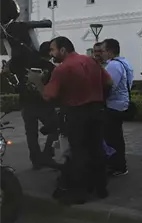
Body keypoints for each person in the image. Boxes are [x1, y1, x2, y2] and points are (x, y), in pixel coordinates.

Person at [27, 36, 112, 205]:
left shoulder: (62, 69)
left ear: (63, 50)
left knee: (79, 153)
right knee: (96, 149)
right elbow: (109, 82)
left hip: (77, 113)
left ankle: (79, 193)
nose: (51, 54)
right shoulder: (91, 61)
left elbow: (48, 95)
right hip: (96, 111)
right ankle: (101, 188)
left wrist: (37, 82)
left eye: (53, 50)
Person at [4, 41, 58, 169]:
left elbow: (5, 70)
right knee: (55, 128)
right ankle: (47, 154)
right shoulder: (48, 66)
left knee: (31, 134)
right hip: (44, 103)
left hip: (26, 103)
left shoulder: (20, 63)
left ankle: (36, 160)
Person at [102, 38, 133, 177]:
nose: (102, 53)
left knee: (112, 138)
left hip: (113, 105)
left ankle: (117, 165)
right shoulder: (125, 63)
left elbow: (109, 86)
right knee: (116, 136)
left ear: (109, 51)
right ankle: (119, 164)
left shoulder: (113, 65)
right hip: (122, 103)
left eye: (103, 50)